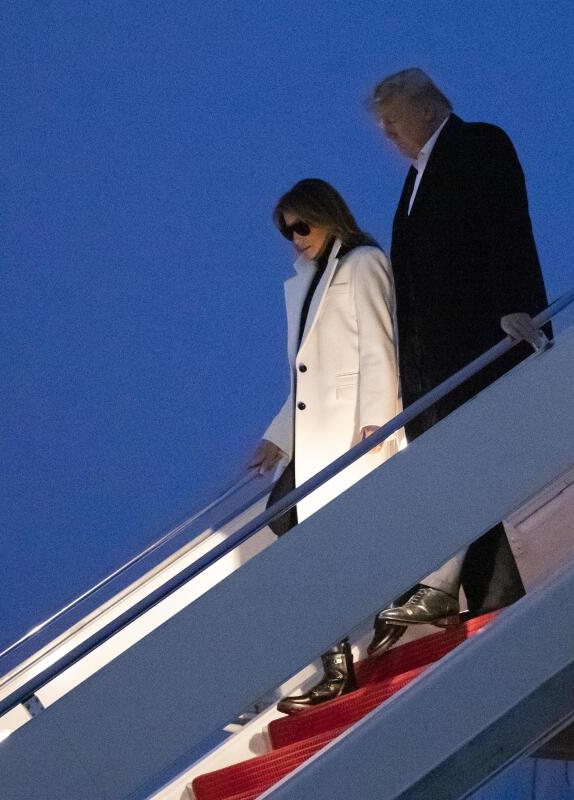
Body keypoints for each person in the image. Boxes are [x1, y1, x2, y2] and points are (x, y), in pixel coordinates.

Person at [365, 68, 550, 653]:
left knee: (470, 465)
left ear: (424, 110)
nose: (388, 137)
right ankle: (479, 601)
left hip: (479, 345)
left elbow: (506, 226)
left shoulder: (478, 143)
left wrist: (518, 308)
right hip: (433, 368)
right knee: (461, 473)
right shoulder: (413, 182)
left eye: (391, 122)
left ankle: (454, 590)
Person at [248, 178, 400, 712]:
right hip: (318, 436)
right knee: (291, 526)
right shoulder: (309, 280)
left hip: (352, 430)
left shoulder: (361, 264)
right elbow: (305, 377)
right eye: (287, 232)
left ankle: (348, 656)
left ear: (327, 214)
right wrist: (277, 436)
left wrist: (379, 420)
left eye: (301, 225)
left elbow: (381, 345)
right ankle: (338, 660)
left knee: (314, 535)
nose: (295, 238)